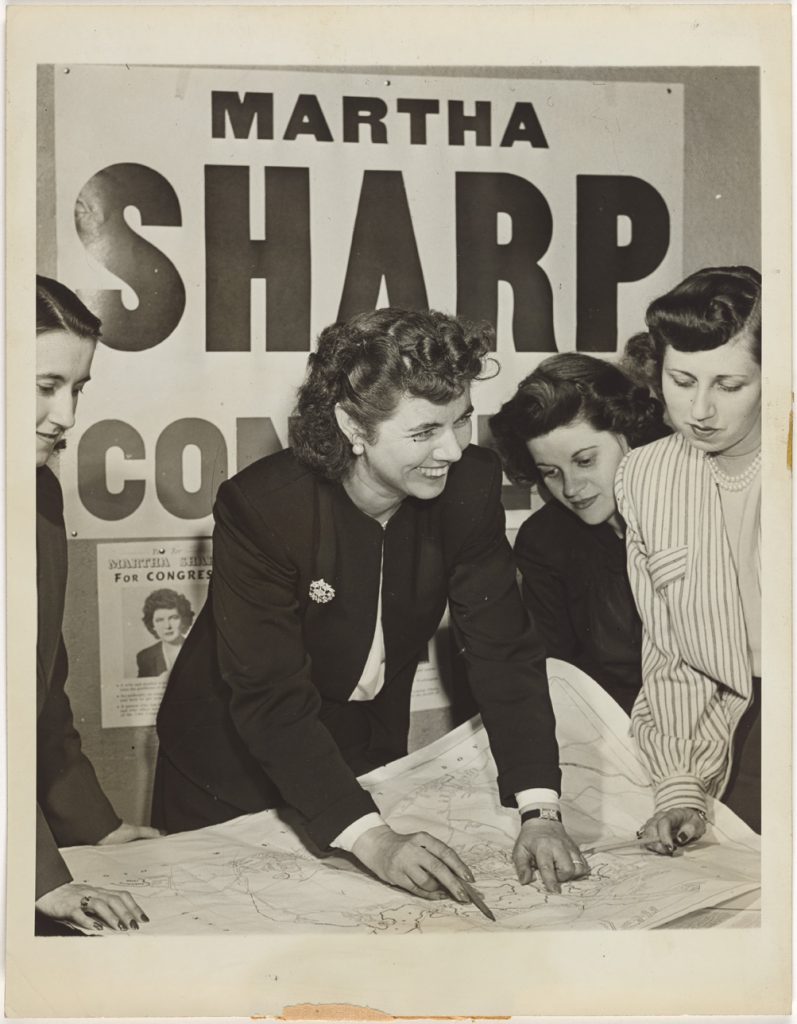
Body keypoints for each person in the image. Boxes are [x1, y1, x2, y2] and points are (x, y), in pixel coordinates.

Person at [155, 307, 589, 900]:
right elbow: (269, 696)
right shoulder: (263, 508)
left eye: (460, 422)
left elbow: (503, 650)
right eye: (423, 432)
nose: (454, 451)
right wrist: (370, 838)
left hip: (361, 756)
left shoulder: (471, 485)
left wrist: (540, 809)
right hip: (231, 771)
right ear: (353, 427)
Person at [616, 266, 762, 851]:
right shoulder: (645, 475)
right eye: (682, 381)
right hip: (732, 719)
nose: (700, 409)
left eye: (729, 386)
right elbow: (669, 650)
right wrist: (679, 784)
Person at [35, 275, 159, 933]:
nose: (67, 417)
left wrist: (97, 829)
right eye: (46, 386)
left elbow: (39, 695)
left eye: (77, 388)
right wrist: (39, 878)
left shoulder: (39, 494)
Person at [489, 354, 668, 714]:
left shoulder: (692, 508)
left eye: (584, 461)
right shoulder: (544, 540)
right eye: (550, 472)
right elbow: (555, 673)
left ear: (629, 434)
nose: (571, 488)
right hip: (610, 730)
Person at [136, 589, 194, 678]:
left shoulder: (199, 649)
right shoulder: (145, 657)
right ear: (152, 625)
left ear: (183, 620)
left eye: (173, 618)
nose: (167, 626)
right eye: (160, 620)